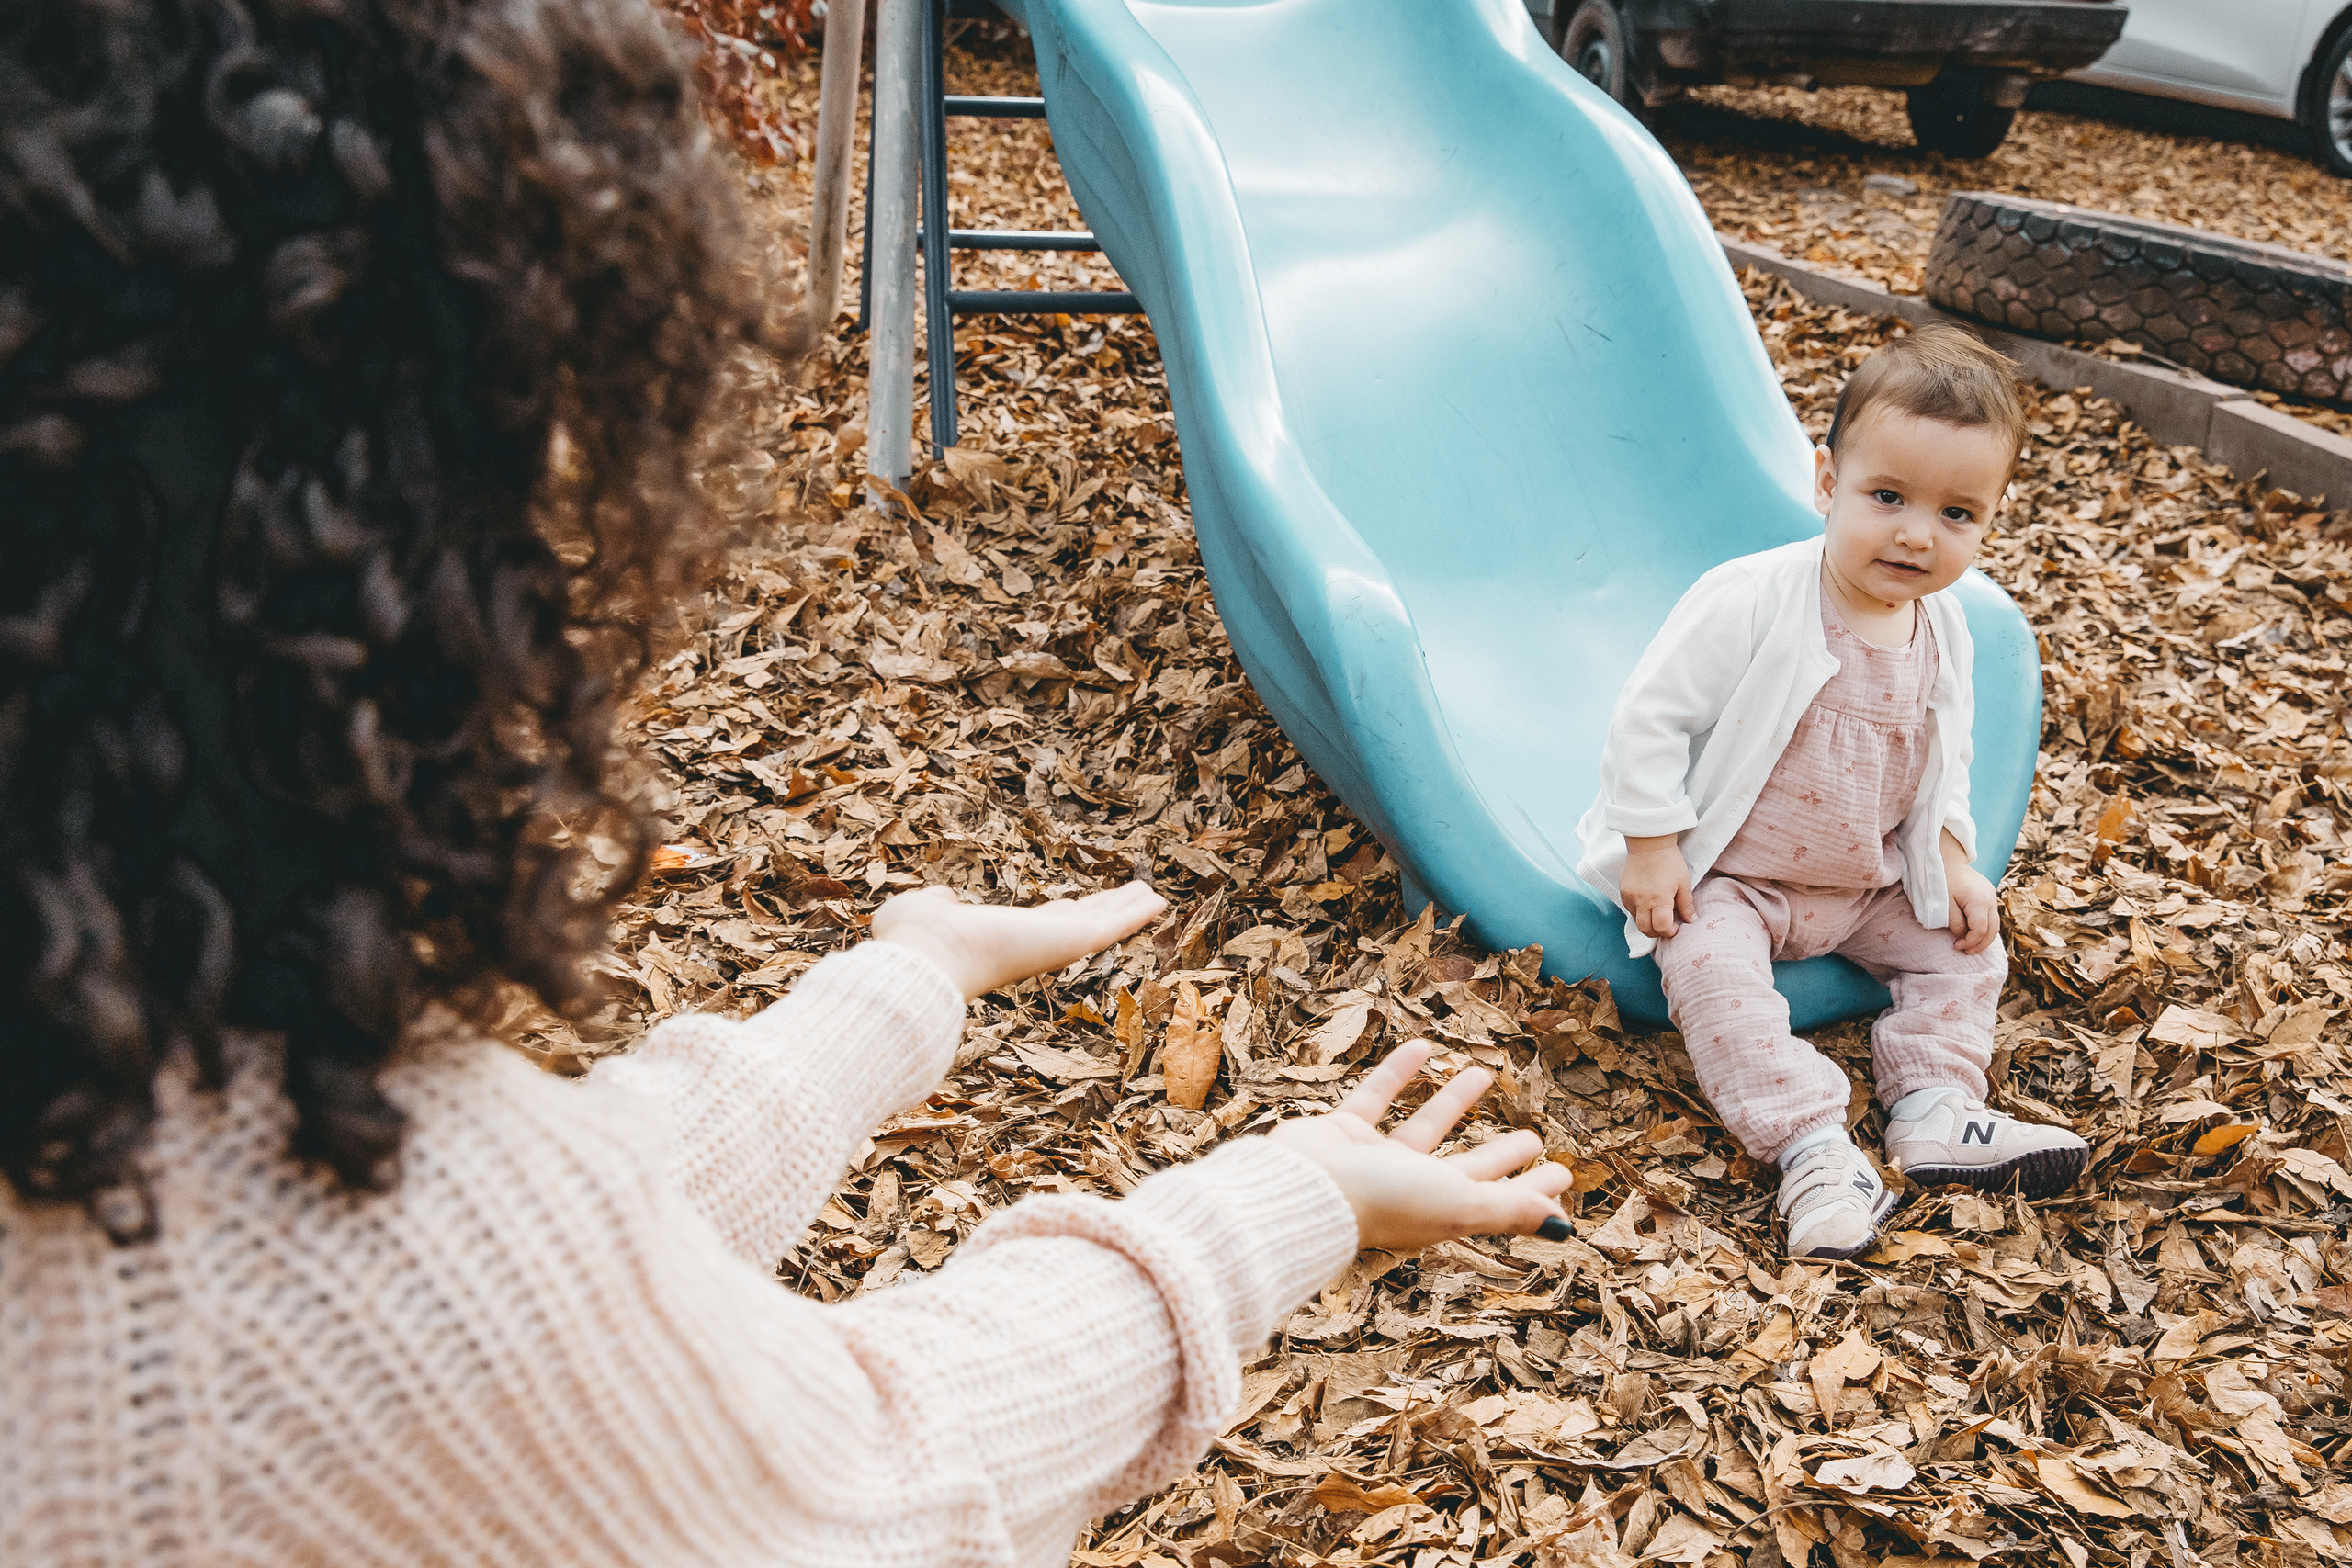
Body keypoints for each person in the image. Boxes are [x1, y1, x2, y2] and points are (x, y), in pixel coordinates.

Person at [0, 0, 1571, 1562]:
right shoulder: (278, 1303)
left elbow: (571, 1230)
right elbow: (880, 1472)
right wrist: (1288, 1194)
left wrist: (901, 984)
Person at [1575, 324, 2088, 1261]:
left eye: (1956, 514)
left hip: (1862, 884)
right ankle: (1811, 1148)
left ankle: (1935, 1104)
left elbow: (1943, 760)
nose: (1914, 533)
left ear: (1990, 519)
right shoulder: (1753, 598)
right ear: (1825, 483)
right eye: (1886, 496)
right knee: (1706, 971)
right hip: (1737, 877)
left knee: (1965, 948)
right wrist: (1650, 843)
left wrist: (1947, 861)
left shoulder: (1946, 632)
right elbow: (1648, 718)